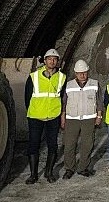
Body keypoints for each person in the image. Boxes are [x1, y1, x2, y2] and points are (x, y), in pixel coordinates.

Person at [24, 48, 66, 184]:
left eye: (54, 59)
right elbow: (27, 97)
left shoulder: (62, 78)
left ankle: (49, 173)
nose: (52, 61)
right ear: (44, 61)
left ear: (57, 62)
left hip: (53, 117)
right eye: (49, 59)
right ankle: (33, 175)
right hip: (36, 117)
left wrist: (61, 115)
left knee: (52, 145)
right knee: (33, 145)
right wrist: (34, 111)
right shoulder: (34, 77)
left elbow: (63, 97)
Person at [61, 60, 102, 179]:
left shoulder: (94, 83)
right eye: (79, 73)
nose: (82, 75)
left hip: (89, 119)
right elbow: (64, 103)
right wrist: (63, 118)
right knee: (69, 145)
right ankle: (69, 168)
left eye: (84, 72)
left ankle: (83, 168)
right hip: (71, 119)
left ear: (87, 71)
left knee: (87, 145)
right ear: (75, 73)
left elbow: (99, 101)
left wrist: (99, 116)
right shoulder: (69, 85)